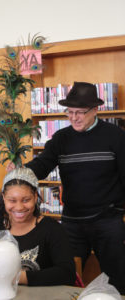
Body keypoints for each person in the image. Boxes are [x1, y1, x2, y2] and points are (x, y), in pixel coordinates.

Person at [13, 81, 125, 294]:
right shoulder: (61, 138)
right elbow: (42, 165)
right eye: (70, 112)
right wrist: (21, 172)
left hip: (108, 220)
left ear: (95, 110)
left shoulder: (116, 136)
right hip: (73, 222)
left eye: (80, 112)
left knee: (118, 276)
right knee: (65, 276)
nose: (74, 117)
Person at [0, 167, 76, 286]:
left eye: (26, 200)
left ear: (36, 197)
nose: (19, 207)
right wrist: (1, 275)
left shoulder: (52, 229)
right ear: (4, 198)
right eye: (12, 200)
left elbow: (67, 273)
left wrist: (16, 277)